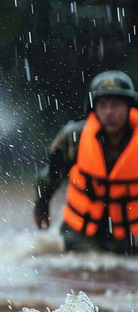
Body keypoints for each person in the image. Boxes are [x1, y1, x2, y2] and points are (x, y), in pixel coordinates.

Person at [34, 71, 138, 256]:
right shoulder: (74, 138)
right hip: (80, 236)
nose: (109, 113)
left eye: (115, 105)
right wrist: (42, 206)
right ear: (93, 108)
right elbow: (50, 177)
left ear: (130, 107)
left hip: (130, 237)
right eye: (103, 105)